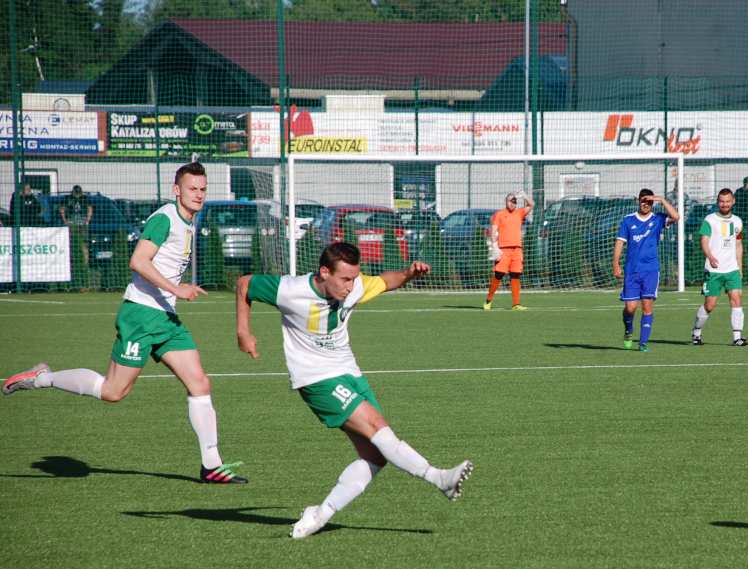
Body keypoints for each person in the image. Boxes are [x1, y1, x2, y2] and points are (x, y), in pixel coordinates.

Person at [2, 162, 247, 484]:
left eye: (203, 189)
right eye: (192, 189)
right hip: (141, 315)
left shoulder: (187, 220)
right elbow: (137, 261)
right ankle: (42, 377)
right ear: (177, 190)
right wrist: (177, 288)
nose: (199, 195)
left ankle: (211, 466)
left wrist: (173, 295)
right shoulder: (165, 218)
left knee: (199, 383)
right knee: (113, 392)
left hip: (165, 317)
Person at [236, 242, 473, 539]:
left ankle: (319, 515)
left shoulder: (355, 285)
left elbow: (387, 282)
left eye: (354, 279)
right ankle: (439, 478)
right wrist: (244, 331)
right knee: (378, 427)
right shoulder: (290, 289)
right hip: (317, 379)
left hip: (349, 373)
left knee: (375, 456)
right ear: (324, 272)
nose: (351, 286)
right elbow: (245, 284)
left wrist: (409, 273)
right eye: (344, 279)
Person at [611, 188, 680, 352]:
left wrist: (661, 200)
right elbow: (620, 242)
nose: (646, 204)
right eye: (643, 200)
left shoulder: (658, 219)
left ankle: (643, 343)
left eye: (649, 201)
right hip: (632, 270)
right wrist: (616, 264)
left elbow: (676, 217)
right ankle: (628, 331)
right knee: (630, 308)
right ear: (638, 201)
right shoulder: (628, 221)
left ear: (652, 203)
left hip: (650, 270)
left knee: (647, 306)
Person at [691, 188, 748, 347]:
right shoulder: (709, 220)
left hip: (732, 270)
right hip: (713, 270)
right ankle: (696, 332)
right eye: (722, 201)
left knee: (736, 298)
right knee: (710, 305)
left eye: (728, 201)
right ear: (718, 202)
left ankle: (737, 337)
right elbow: (704, 240)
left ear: (733, 202)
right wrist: (710, 256)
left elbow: (738, 244)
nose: (725, 204)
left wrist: (740, 267)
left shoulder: (738, 221)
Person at [483, 190, 534, 311]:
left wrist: (524, 196)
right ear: (506, 202)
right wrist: (494, 246)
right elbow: (494, 230)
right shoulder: (499, 214)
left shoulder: (519, 213)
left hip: (517, 250)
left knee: (515, 275)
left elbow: (531, 204)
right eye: (511, 201)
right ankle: (488, 301)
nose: (513, 203)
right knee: (499, 275)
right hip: (504, 250)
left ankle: (516, 304)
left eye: (515, 201)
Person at [61, 185, 94, 266]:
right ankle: (72, 262)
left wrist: (87, 220)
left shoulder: (84, 198)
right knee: (72, 243)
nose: (77, 195)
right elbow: (62, 209)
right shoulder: (68, 198)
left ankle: (84, 263)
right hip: (72, 223)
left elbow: (90, 209)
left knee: (83, 244)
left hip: (81, 223)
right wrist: (65, 220)